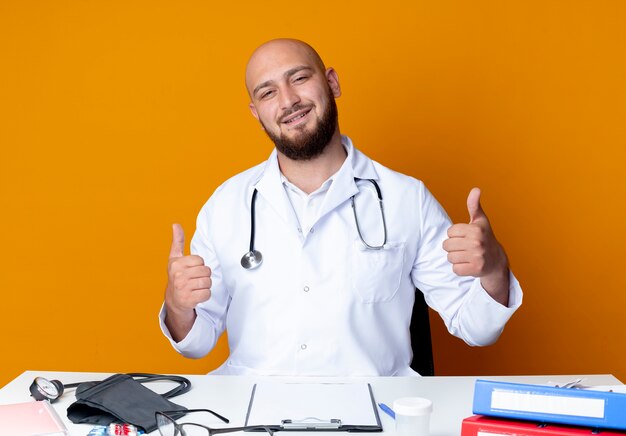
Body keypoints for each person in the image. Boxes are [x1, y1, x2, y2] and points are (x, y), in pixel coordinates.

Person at [159, 38, 522, 376]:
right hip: (255, 414)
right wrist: (177, 303)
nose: (288, 101)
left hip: (373, 414)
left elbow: (476, 327)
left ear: (331, 83)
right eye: (268, 92)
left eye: (299, 78)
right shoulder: (225, 205)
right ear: (257, 113)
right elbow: (197, 341)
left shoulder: (406, 198)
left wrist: (494, 269)